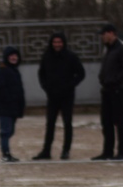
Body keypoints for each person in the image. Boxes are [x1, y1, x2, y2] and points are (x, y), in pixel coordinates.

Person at [33, 32, 85, 160]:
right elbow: (41, 74)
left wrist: (70, 85)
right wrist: (46, 87)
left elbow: (81, 73)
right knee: (50, 123)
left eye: (59, 42)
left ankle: (66, 150)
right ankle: (46, 151)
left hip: (67, 96)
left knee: (67, 123)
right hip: (52, 96)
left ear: (63, 43)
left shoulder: (71, 57)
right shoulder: (47, 56)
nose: (57, 45)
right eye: (55, 42)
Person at [93, 23, 123, 160]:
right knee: (106, 122)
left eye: (103, 34)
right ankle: (107, 151)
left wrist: (115, 80)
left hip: (118, 90)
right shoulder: (108, 49)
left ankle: (121, 152)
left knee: (120, 122)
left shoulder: (121, 48)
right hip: (107, 90)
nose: (102, 37)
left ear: (111, 33)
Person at [0, 45, 25, 163]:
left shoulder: (14, 70)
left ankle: (6, 152)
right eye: (11, 55)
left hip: (14, 108)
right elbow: (0, 88)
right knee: (6, 131)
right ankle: (5, 153)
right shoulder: (1, 70)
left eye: (15, 55)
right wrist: (9, 99)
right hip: (5, 107)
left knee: (10, 131)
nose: (13, 58)